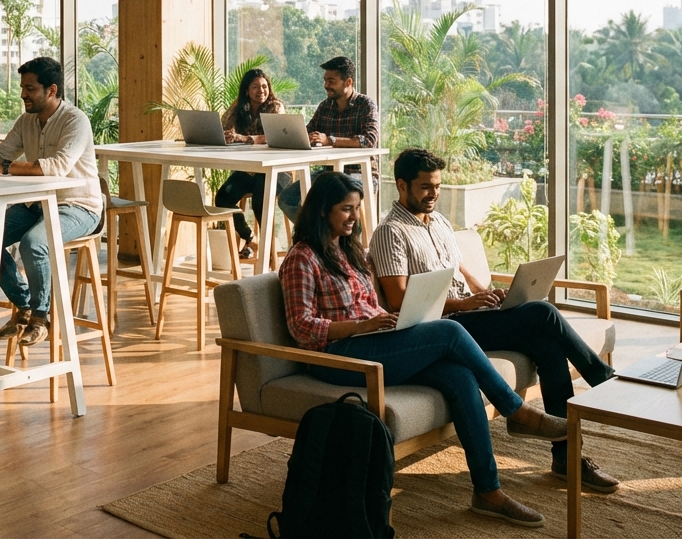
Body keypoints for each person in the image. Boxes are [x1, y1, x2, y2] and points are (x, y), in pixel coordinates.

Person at [280, 171, 565, 527]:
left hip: (372, 343)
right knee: (449, 330)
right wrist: (360, 327)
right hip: (338, 356)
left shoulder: (349, 251)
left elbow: (370, 307)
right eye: (346, 209)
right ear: (323, 210)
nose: (354, 216)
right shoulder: (302, 259)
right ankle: (516, 411)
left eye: (357, 208)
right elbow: (301, 326)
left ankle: (487, 492)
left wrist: (392, 321)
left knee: (460, 377)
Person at [368, 148, 620, 495]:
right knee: (543, 312)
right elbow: (398, 299)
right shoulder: (390, 232)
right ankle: (605, 382)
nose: (433, 193)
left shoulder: (439, 222)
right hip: (445, 327)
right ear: (401, 185)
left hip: (472, 314)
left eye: (437, 186)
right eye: (425, 187)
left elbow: (458, 268)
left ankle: (567, 458)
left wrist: (486, 293)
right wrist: (465, 303)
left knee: (548, 347)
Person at [0, 57, 102, 347]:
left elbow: (58, 166)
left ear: (52, 90)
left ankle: (41, 317)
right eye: (22, 87)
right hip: (37, 204)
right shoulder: (26, 120)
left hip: (79, 206)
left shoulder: (75, 120)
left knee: (33, 243)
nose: (23, 94)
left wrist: (3, 167)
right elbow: (0, 154)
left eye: (30, 88)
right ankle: (23, 306)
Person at [278, 56, 380, 222]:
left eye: (331, 81)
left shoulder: (365, 105)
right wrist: (302, 136)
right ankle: (318, 233)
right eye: (325, 80)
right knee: (287, 199)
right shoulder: (325, 106)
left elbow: (369, 140)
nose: (326, 85)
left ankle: (335, 234)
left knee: (333, 201)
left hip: (359, 174)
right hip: (328, 174)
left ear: (348, 82)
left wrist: (330, 140)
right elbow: (306, 132)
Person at [215, 68, 289, 259]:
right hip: (249, 171)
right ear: (246, 90)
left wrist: (244, 138)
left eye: (264, 86)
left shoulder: (275, 107)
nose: (261, 90)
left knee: (259, 201)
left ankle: (268, 252)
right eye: (255, 87)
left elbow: (272, 136)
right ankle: (250, 237)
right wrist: (229, 131)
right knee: (222, 198)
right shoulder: (242, 108)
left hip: (277, 171)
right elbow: (223, 125)